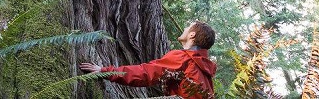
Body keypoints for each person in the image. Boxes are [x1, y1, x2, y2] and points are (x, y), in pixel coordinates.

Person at [79, 21, 217, 99]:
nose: (185, 28)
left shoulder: (184, 58)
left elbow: (145, 73)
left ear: (192, 34)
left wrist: (105, 71)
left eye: (188, 27)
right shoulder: (204, 68)